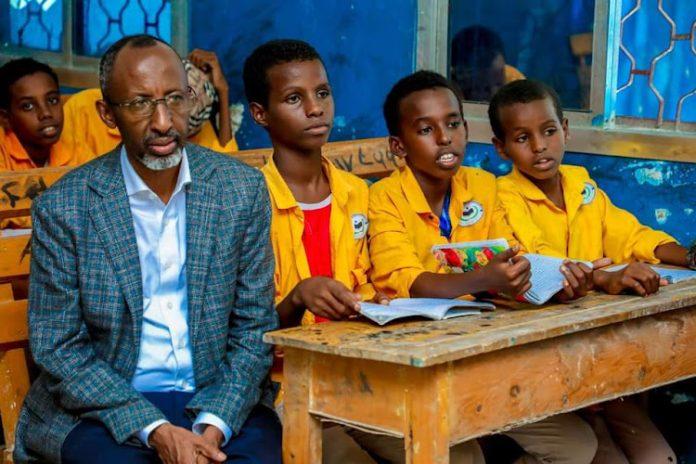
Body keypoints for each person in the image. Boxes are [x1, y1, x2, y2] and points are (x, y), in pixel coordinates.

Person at [13, 34, 281, 464]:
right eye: (139, 103)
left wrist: (213, 426)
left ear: (191, 98)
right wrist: (155, 430)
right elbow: (59, 347)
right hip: (105, 405)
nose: (162, 122)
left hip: (217, 397)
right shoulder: (65, 207)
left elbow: (253, 328)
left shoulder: (240, 191)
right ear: (107, 113)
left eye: (174, 98)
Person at [363, 70, 597, 464]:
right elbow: (405, 282)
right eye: (426, 129)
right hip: (416, 370)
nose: (444, 138)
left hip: (482, 362)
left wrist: (554, 281)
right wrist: (484, 278)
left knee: (577, 448)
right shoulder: (384, 199)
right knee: (464, 459)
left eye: (453, 123)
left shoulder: (484, 187)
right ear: (398, 146)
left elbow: (516, 256)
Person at [490, 78, 690, 463]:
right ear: (500, 148)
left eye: (549, 131)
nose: (539, 146)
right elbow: (536, 260)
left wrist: (689, 256)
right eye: (522, 138)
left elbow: (630, 234)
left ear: (565, 130)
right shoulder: (501, 198)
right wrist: (600, 276)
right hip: (541, 360)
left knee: (658, 457)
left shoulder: (583, 186)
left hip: (594, 358)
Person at [243, 38, 382, 464]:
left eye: (322, 93)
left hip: (366, 376)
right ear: (260, 114)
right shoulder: (249, 205)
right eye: (293, 98)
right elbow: (240, 335)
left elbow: (381, 284)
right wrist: (296, 298)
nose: (315, 108)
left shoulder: (359, 195)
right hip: (286, 390)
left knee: (459, 452)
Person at [61, 48, 238, 160]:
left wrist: (223, 91)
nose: (163, 124)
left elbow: (229, 165)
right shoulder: (83, 108)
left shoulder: (192, 121)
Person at [0, 58, 89, 170]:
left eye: (52, 100)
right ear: (5, 118)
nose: (46, 113)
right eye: (28, 106)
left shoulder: (73, 145)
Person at [450, 25, 524, 101]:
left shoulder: (513, 80)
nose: (495, 94)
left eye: (499, 84)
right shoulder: (450, 91)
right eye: (486, 89)